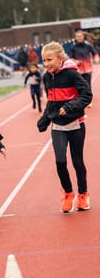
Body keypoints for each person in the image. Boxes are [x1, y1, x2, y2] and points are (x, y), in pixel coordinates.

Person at [37, 41, 92, 213]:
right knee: (60, 161)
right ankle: (68, 194)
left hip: (76, 124)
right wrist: (45, 119)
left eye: (49, 60)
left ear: (60, 58)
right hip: (58, 127)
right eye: (44, 60)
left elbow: (87, 95)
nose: (46, 64)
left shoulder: (72, 75)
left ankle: (83, 195)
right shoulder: (47, 77)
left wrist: (69, 107)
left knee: (77, 162)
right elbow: (51, 101)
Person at [69, 29, 96, 95]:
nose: (79, 38)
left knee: (87, 84)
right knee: (79, 84)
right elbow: (71, 58)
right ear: (76, 38)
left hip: (88, 69)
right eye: (78, 37)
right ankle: (81, 98)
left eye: (80, 36)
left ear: (83, 37)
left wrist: (96, 58)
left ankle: (89, 99)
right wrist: (75, 61)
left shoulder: (88, 46)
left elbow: (94, 53)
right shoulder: (73, 47)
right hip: (78, 69)